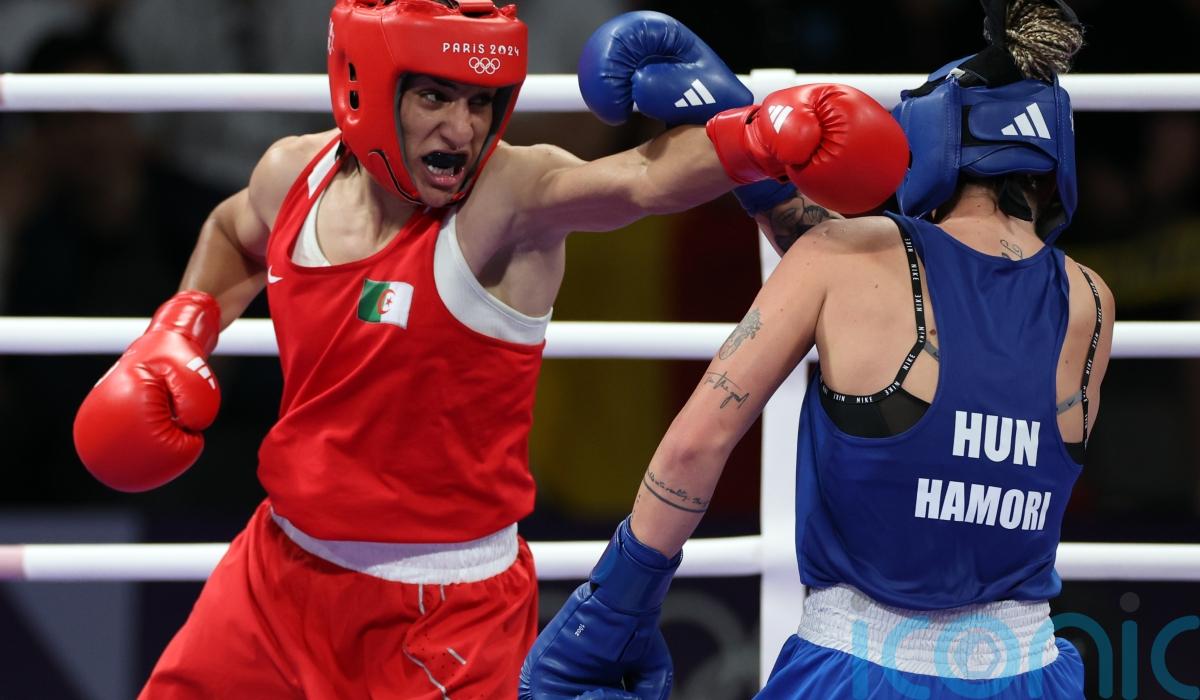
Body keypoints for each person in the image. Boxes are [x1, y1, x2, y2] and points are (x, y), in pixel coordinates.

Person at [69, 1, 907, 697]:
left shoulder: (506, 198)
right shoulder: (294, 173)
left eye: (481, 101)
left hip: (441, 611)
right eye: (436, 96)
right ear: (366, 88)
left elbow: (641, 182)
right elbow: (233, 230)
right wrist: (182, 327)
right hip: (276, 571)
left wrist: (763, 136)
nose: (462, 128)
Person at [521, 1, 1112, 698]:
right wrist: (750, 149)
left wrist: (621, 601)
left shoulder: (843, 257)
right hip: (1028, 669)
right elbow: (951, 313)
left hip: (858, 668)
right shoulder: (1090, 301)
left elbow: (695, 446)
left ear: (933, 142)